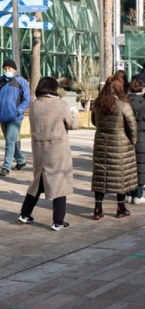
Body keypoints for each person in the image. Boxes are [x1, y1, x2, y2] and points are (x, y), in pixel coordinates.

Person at [18, 77, 78, 230]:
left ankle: (25, 213)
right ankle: (58, 221)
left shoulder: (34, 105)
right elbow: (72, 125)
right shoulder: (61, 104)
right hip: (57, 147)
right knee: (59, 181)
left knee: (38, 182)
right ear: (54, 88)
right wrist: (74, 114)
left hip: (39, 149)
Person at [91, 76, 138, 219]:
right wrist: (132, 141)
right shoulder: (124, 106)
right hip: (120, 144)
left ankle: (98, 209)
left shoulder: (97, 104)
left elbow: (94, 122)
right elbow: (132, 127)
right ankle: (120, 207)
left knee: (101, 177)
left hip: (101, 143)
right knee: (120, 177)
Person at [127, 80, 145, 204]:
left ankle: (128, 194)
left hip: (127, 137)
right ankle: (138, 195)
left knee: (129, 167)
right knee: (141, 166)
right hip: (143, 138)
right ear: (142, 90)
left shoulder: (125, 103)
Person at [0, 59, 30, 176]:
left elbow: (26, 99)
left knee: (9, 140)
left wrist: (18, 111)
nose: (7, 70)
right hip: (3, 117)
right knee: (10, 140)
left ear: (14, 69)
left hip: (14, 118)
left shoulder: (20, 81)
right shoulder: (1, 81)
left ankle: (6, 166)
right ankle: (21, 160)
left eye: (9, 68)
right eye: (5, 68)